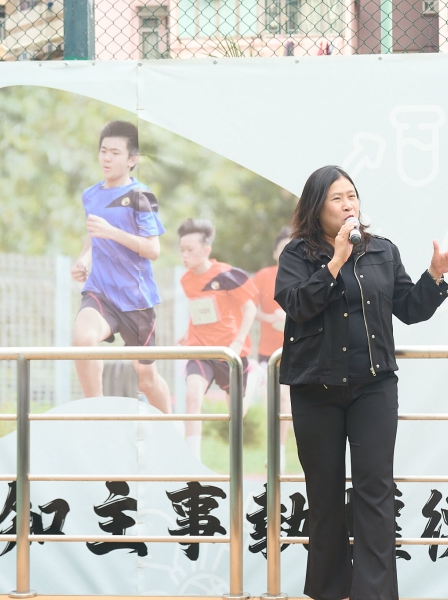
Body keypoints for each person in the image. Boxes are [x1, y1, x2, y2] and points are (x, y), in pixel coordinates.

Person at [274, 165, 448, 600]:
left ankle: (374, 594)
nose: (348, 205)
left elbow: (410, 309)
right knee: (324, 496)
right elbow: (297, 304)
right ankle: (329, 591)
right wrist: (336, 261)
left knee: (375, 493)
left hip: (373, 387)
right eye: (337, 198)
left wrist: (435, 276)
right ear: (316, 207)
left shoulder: (382, 250)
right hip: (315, 390)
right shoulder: (297, 255)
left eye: (352, 196)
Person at [70, 120, 171, 414]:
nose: (107, 158)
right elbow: (93, 233)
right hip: (100, 291)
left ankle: (172, 427)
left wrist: (112, 232)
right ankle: (97, 414)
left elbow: (153, 249)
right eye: (103, 151)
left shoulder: (142, 196)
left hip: (137, 300)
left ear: (132, 160)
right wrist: (83, 260)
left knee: (147, 379)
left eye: (115, 153)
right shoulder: (91, 195)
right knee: (83, 339)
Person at [177, 218, 258, 460]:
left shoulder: (226, 275)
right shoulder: (186, 280)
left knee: (236, 413)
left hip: (230, 352)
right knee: (192, 395)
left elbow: (250, 308)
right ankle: (192, 461)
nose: (184, 255)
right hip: (200, 349)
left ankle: (254, 375)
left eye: (190, 250)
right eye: (181, 250)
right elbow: (200, 309)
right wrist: (188, 334)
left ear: (206, 250)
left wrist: (238, 341)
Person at [253, 225, 292, 473]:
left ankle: (281, 450)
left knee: (286, 398)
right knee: (273, 401)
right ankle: (274, 448)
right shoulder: (263, 276)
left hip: (296, 348)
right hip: (268, 350)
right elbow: (249, 308)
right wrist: (269, 318)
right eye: (283, 248)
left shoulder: (307, 275)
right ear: (275, 252)